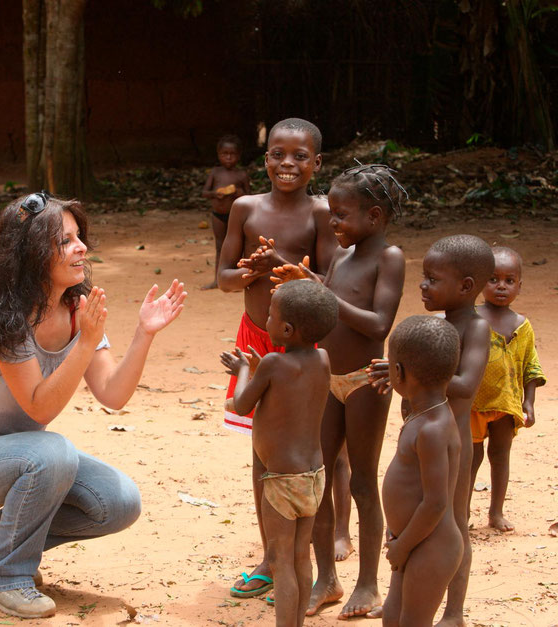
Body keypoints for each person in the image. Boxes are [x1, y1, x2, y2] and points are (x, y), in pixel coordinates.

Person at [0, 193, 186, 619]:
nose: (80, 247)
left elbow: (113, 395)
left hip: (28, 460)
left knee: (119, 502)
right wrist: (84, 341)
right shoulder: (3, 317)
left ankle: (2, 535)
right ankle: (4, 578)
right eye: (65, 241)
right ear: (30, 253)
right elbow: (39, 409)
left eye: (79, 237)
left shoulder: (76, 308)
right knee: (54, 449)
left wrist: (144, 333)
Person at [272, 164, 407, 618]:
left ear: (374, 216)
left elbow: (378, 324)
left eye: (342, 215)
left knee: (364, 482)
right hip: (325, 377)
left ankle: (367, 584)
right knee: (319, 476)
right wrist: (301, 285)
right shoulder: (341, 258)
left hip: (367, 380)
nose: (333, 223)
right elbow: (326, 310)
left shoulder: (390, 258)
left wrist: (322, 293)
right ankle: (327, 578)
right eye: (331, 213)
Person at [216, 118, 336, 598]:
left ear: (317, 163)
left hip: (304, 347)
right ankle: (271, 557)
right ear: (264, 161)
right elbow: (223, 277)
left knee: (308, 450)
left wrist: (288, 269)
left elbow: (330, 285)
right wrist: (250, 273)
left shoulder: (322, 213)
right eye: (278, 155)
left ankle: (309, 557)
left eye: (300, 156)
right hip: (256, 341)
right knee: (262, 452)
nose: (288, 164)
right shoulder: (244, 208)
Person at [370, 234, 493, 625]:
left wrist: (414, 373)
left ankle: (452, 611)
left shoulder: (475, 328)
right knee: (422, 517)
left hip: (454, 437)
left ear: (466, 287)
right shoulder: (436, 327)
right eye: (423, 277)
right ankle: (406, 595)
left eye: (432, 279)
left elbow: (467, 384)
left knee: (453, 523)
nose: (422, 285)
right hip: (427, 434)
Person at [220, 280, 338, 626]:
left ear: (286, 329)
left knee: (282, 559)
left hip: (282, 481)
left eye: (270, 315)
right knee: (302, 556)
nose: (266, 320)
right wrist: (259, 369)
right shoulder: (322, 358)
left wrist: (243, 369)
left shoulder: (272, 363)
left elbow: (242, 404)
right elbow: (290, 394)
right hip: (314, 476)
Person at [381, 315, 464, 627]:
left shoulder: (432, 428)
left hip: (432, 546)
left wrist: (402, 546)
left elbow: (435, 502)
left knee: (412, 622)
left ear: (399, 372)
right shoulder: (423, 415)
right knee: (393, 616)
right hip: (414, 540)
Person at [469, 246, 546, 532]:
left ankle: (496, 512)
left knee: (500, 456)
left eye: (509, 281)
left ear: (519, 287)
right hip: (473, 403)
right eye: (493, 279)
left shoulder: (523, 326)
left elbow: (531, 366)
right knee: (470, 460)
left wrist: (529, 402)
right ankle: (461, 511)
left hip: (506, 403)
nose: (501, 286)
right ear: (478, 282)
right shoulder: (471, 318)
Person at [201, 135, 251, 290]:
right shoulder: (215, 172)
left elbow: (250, 198)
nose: (228, 157)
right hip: (218, 215)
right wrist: (216, 194)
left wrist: (239, 192)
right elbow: (205, 192)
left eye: (232, 154)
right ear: (219, 154)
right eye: (225, 154)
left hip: (235, 217)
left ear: (239, 156)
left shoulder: (241, 175)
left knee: (238, 248)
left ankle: (238, 281)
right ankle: (217, 280)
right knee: (219, 246)